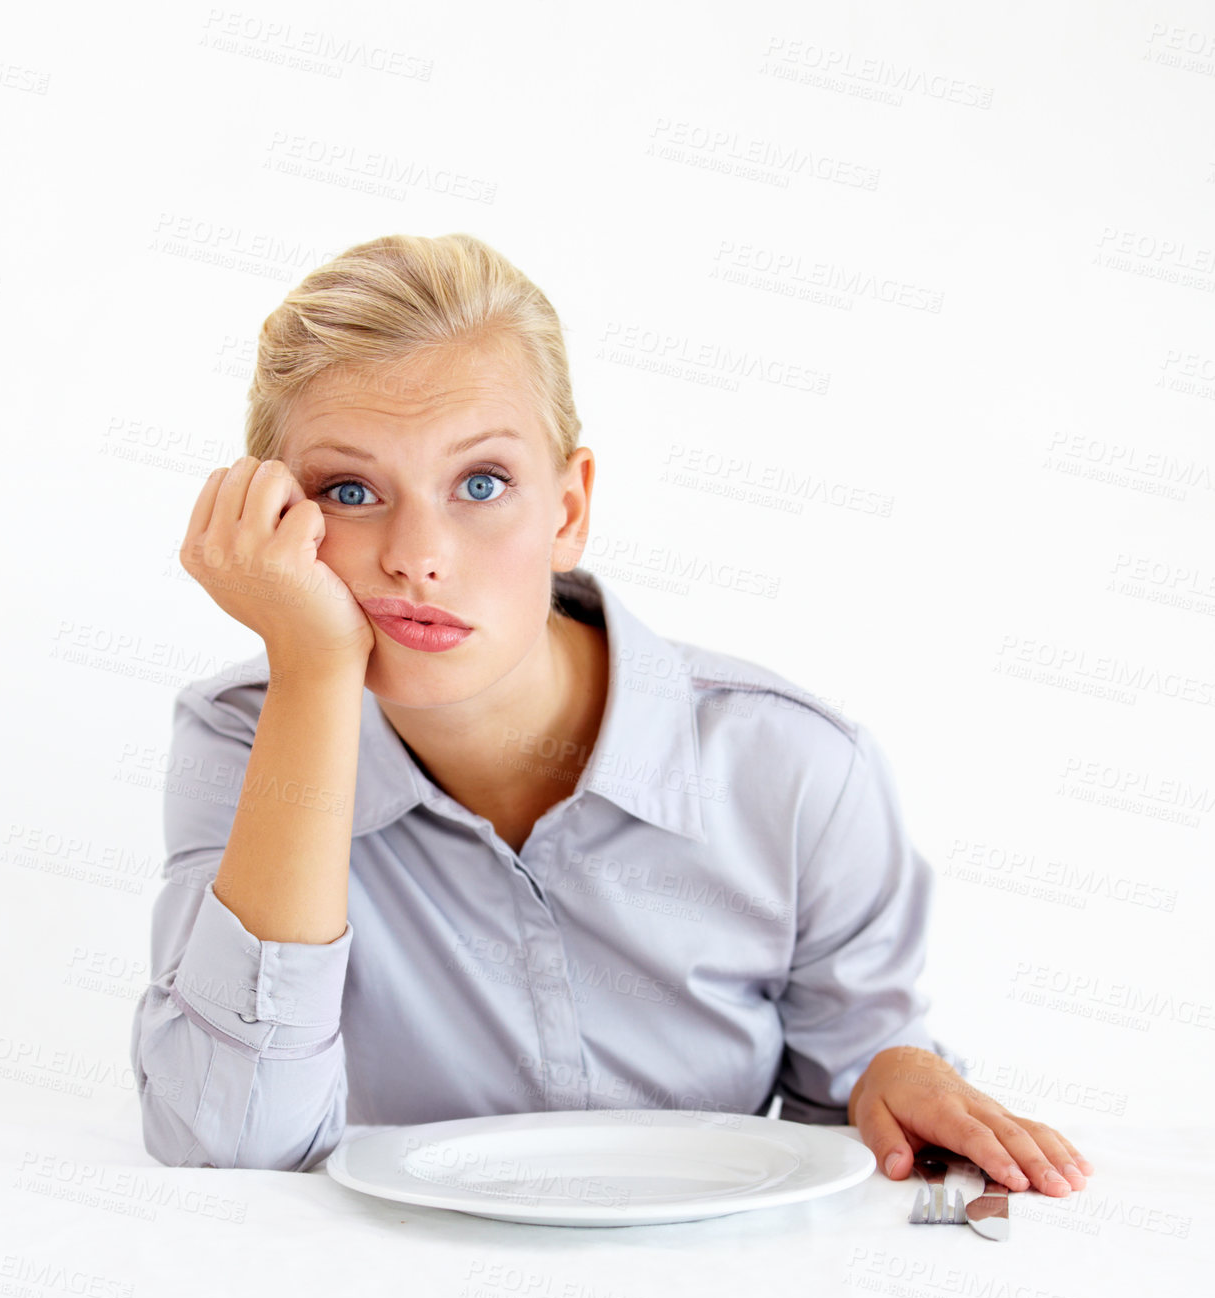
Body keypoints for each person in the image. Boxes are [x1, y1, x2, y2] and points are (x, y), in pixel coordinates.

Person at [129, 233, 1093, 1199]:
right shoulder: (242, 740)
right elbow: (231, 1152)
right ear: (274, 522)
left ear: (569, 508)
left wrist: (884, 1074)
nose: (419, 557)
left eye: (481, 483)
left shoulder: (798, 771)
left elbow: (840, 1143)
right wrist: (312, 675)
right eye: (351, 491)